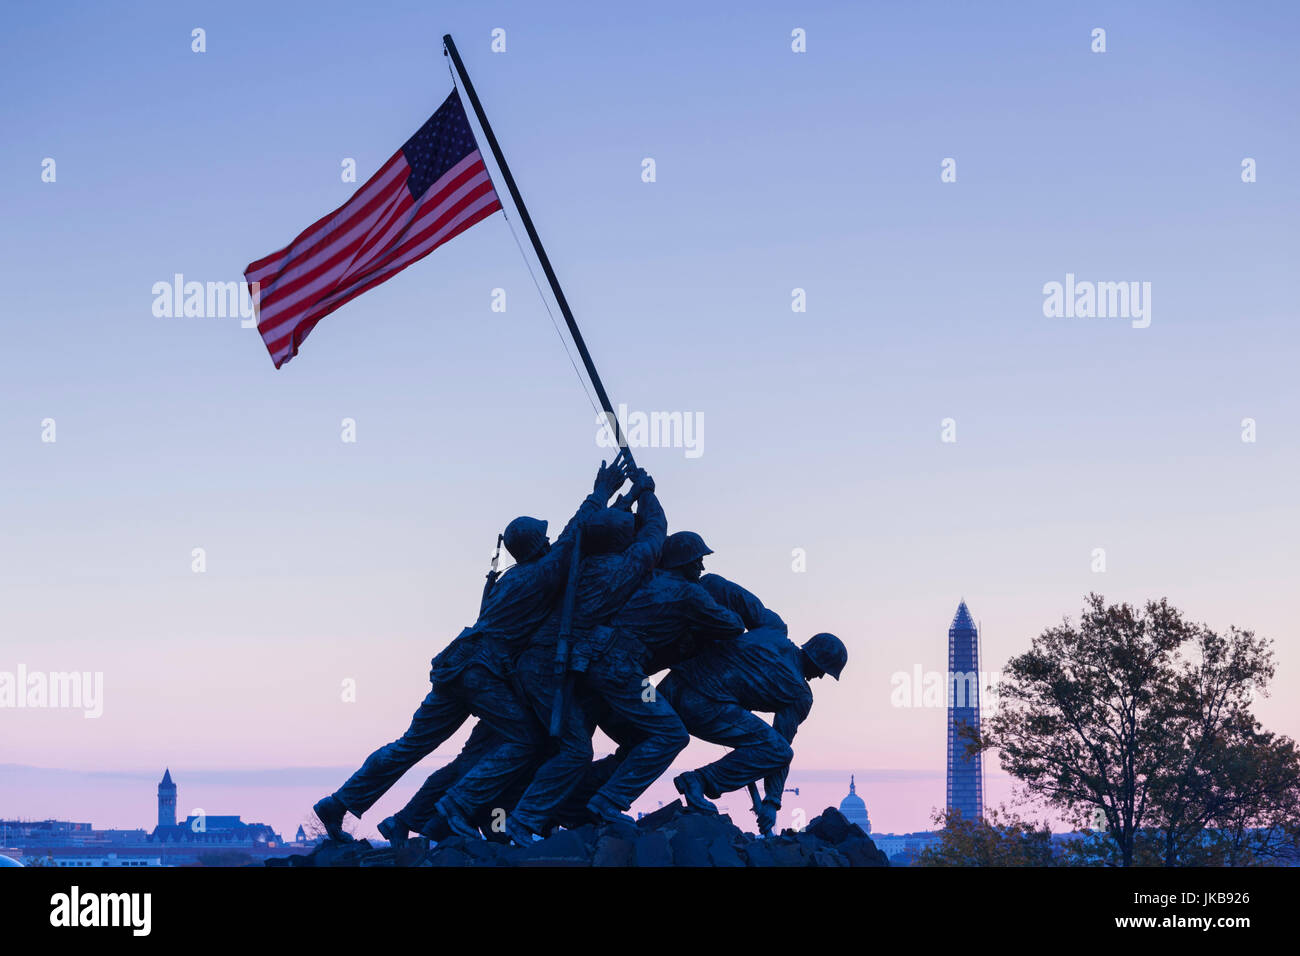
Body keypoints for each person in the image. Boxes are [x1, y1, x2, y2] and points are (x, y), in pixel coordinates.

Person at [310, 458, 628, 842]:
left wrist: (615, 508)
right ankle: (457, 806)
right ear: (536, 546)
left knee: (410, 745)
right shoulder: (540, 573)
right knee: (526, 738)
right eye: (543, 539)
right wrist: (600, 493)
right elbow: (574, 537)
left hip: (457, 664)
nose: (548, 542)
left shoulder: (512, 578)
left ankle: (339, 802)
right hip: (482, 670)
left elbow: (572, 540)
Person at [504, 468, 666, 844]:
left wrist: (613, 495)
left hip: (543, 663)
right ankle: (522, 820)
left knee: (559, 745)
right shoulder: (621, 569)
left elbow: (579, 531)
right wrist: (648, 494)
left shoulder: (570, 562)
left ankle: (541, 815)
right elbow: (654, 535)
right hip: (548, 666)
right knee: (576, 751)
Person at [658, 573, 847, 835]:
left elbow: (713, 583)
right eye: (825, 671)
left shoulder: (772, 627)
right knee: (778, 750)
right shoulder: (800, 695)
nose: (822, 676)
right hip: (700, 706)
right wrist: (772, 803)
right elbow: (779, 750)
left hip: (672, 684)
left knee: (643, 743)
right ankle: (698, 781)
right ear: (820, 665)